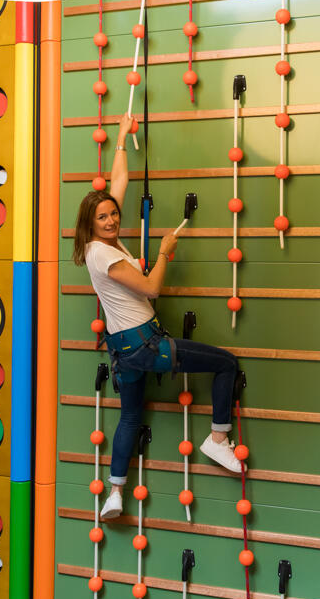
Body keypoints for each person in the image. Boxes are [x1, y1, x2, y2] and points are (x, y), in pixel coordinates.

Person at [74, 115, 244, 518]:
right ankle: (218, 439)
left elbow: (118, 185)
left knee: (131, 416)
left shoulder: (100, 245)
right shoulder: (103, 253)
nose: (113, 219)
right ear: (89, 224)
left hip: (124, 350)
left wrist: (120, 137)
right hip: (145, 345)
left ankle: (115, 493)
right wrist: (165, 251)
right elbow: (151, 288)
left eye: (113, 214)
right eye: (104, 217)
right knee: (226, 363)